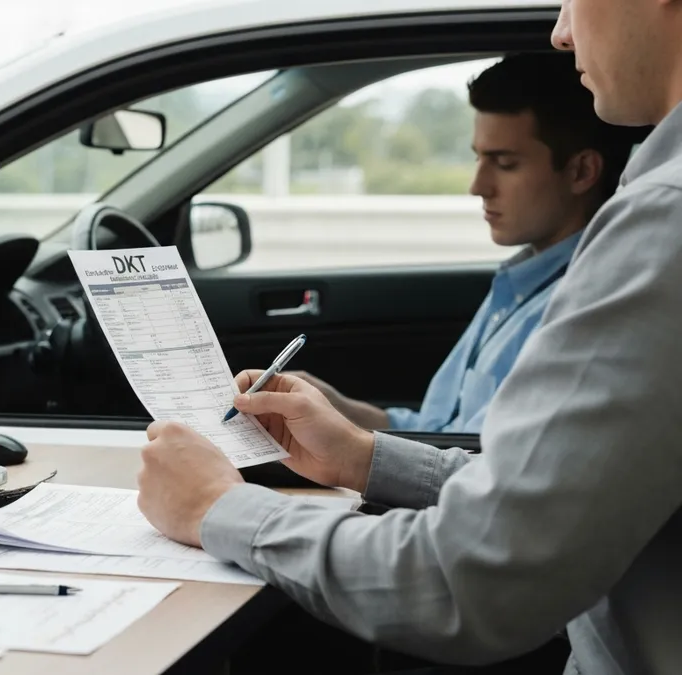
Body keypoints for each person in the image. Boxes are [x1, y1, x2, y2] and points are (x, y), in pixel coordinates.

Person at [135, 1, 682, 673]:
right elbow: (550, 491)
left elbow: (472, 578)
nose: (561, 30)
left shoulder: (663, 221)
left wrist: (217, 507)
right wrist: (363, 456)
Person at [293, 52, 638, 434]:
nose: (478, 187)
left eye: (505, 164)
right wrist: (331, 407)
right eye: (478, 159)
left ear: (581, 171)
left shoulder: (578, 307)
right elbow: (437, 431)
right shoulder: (519, 286)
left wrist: (347, 444)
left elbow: (479, 461)